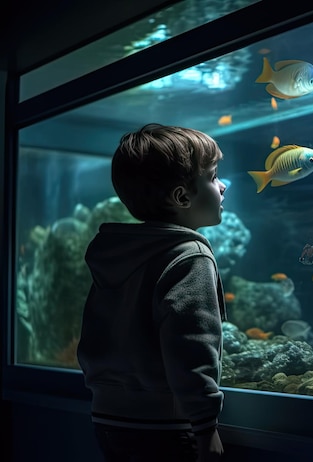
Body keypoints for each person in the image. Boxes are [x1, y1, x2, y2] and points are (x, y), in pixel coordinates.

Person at [77, 123, 228, 462]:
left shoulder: (116, 254)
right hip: (168, 427)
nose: (222, 187)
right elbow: (190, 344)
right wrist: (205, 426)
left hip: (108, 419)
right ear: (182, 197)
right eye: (213, 176)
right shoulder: (190, 255)